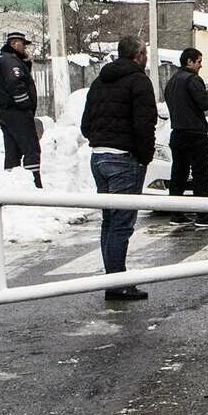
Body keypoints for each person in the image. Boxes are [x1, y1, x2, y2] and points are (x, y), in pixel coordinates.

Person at [81, 35, 157, 301]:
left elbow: (85, 123)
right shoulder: (139, 81)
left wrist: (99, 140)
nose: (146, 57)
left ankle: (113, 276)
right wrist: (144, 156)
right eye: (145, 53)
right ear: (138, 56)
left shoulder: (99, 81)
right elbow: (145, 124)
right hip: (124, 159)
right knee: (122, 223)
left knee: (109, 220)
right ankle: (117, 282)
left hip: (99, 157)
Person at [163, 48, 208, 222]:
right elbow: (205, 104)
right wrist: (204, 95)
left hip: (177, 133)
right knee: (200, 174)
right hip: (195, 134)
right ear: (189, 62)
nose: (201, 65)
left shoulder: (172, 81)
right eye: (198, 61)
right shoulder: (193, 80)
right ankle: (202, 213)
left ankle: (176, 212)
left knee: (179, 173)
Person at [0, 30, 41, 186]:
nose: (25, 49)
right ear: (14, 43)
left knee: (12, 152)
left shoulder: (2, 59)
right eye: (22, 45)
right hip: (17, 113)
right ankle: (35, 184)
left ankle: (11, 184)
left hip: (6, 112)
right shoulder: (11, 61)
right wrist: (24, 104)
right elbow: (15, 82)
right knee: (31, 149)